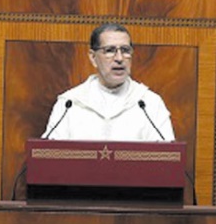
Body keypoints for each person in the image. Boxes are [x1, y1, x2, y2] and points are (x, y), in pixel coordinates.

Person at [41, 22, 174, 141]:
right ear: (93, 58)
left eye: (125, 50)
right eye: (110, 50)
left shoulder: (150, 104)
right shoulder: (69, 104)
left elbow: (168, 159)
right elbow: (48, 156)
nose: (119, 58)